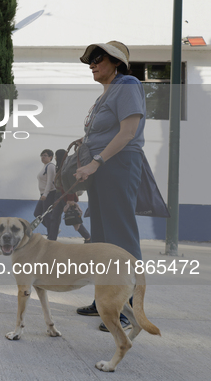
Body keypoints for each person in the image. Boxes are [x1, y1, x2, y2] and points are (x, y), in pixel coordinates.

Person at [74, 41, 146, 332]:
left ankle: (128, 309)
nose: (92, 63)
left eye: (98, 58)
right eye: (90, 60)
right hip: (102, 168)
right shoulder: (106, 93)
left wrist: (96, 161)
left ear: (116, 62)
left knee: (121, 239)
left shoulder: (127, 84)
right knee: (102, 240)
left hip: (118, 165)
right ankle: (104, 300)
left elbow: (128, 132)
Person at [47, 149, 91, 242]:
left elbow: (69, 184)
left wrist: (70, 200)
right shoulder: (59, 167)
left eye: (56, 156)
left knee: (73, 217)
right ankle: (51, 239)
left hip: (66, 196)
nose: (54, 158)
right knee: (54, 218)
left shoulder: (65, 167)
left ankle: (87, 237)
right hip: (59, 195)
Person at [33, 149, 56, 237]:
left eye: (45, 155)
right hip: (43, 194)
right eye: (41, 155)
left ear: (50, 157)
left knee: (46, 215)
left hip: (49, 193)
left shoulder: (50, 166)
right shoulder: (45, 166)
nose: (42, 157)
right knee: (37, 213)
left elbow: (50, 181)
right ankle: (53, 230)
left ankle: (51, 234)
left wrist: (45, 194)